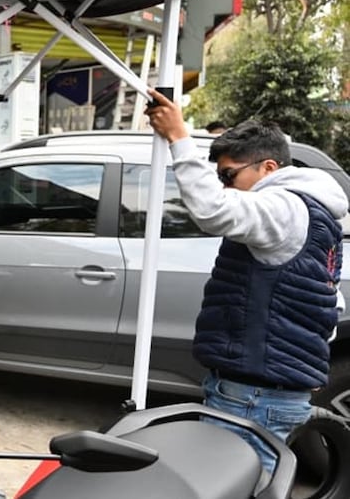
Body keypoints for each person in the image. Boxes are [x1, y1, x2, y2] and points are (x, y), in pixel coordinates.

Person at [146, 89, 346, 473]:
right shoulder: (317, 215)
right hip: (267, 390)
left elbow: (212, 210)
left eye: (229, 175)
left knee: (229, 483)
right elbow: (328, 303)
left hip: (253, 394)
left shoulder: (283, 206)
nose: (224, 186)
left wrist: (178, 137)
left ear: (268, 168)